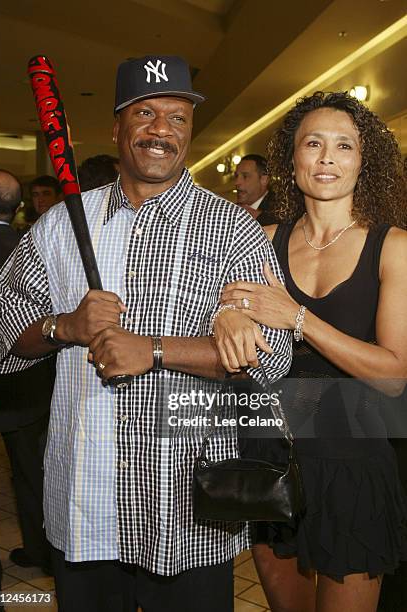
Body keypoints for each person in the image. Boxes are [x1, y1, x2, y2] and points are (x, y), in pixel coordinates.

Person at [0, 56, 292, 612]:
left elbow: (271, 355)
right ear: (116, 127)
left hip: (184, 510)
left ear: (190, 132)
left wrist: (151, 350)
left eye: (176, 118)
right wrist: (66, 327)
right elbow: (6, 322)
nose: (161, 130)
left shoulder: (231, 229)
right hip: (84, 502)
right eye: (145, 113)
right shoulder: (63, 223)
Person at [213, 91, 407, 612]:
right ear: (291, 160)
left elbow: (394, 375)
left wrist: (298, 319)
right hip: (270, 459)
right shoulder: (259, 239)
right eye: (313, 143)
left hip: (354, 461)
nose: (327, 157)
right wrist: (227, 313)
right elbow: (218, 312)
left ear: (363, 162)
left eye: (344, 145)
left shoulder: (392, 247)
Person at [0, 170, 54, 596]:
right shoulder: (33, 250)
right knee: (34, 478)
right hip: (30, 388)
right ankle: (42, 553)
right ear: (18, 206)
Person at [234, 154, 276, 225]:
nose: (237, 182)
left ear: (264, 180)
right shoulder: (233, 210)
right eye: (236, 176)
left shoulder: (282, 208)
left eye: (245, 176)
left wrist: (259, 217)